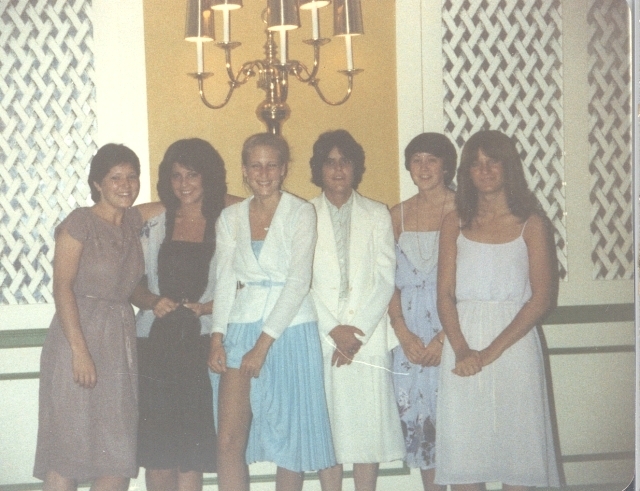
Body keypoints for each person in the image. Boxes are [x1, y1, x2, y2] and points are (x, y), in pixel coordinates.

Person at [208, 133, 335, 491]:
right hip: (241, 327)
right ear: (245, 171)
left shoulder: (300, 212)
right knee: (228, 441)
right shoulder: (230, 217)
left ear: (283, 170)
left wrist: (262, 346)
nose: (263, 173)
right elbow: (224, 281)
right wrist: (218, 339)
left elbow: (298, 282)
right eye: (255, 165)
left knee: (290, 444)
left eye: (271, 165)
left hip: (290, 329)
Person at [435, 130, 560, 489]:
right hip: (463, 343)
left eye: (493, 162)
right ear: (466, 174)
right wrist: (461, 348)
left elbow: (542, 298)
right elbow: (444, 294)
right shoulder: (454, 223)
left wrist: (490, 352)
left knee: (517, 456)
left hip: (514, 346)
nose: (485, 170)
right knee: (465, 456)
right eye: (475, 164)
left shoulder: (531, 224)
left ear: (508, 168)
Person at [130, 138, 240, 491]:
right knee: (158, 453)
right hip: (156, 346)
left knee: (192, 452)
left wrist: (209, 307)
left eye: (193, 174)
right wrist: (151, 300)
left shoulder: (228, 220)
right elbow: (130, 284)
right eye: (176, 176)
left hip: (201, 344)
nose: (184, 184)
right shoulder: (154, 221)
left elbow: (245, 284)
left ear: (207, 176)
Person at [33, 144, 144, 490]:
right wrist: (80, 352)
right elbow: (62, 288)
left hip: (119, 343)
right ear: (98, 183)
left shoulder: (135, 220)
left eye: (132, 176)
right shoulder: (80, 222)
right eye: (115, 178)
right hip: (76, 339)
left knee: (116, 446)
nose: (126, 185)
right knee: (69, 446)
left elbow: (186, 200)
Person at [309, 129, 405, 491]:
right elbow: (301, 281)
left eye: (344, 162)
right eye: (329, 162)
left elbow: (385, 279)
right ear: (319, 169)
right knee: (327, 431)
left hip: (365, 339)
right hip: (322, 336)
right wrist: (334, 329)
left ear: (356, 168)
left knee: (367, 432)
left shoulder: (377, 213)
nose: (337, 169)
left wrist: (355, 333)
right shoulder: (304, 213)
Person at [388, 133, 457, 491]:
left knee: (457, 431)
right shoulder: (395, 215)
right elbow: (385, 282)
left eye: (433, 159)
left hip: (454, 332)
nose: (425, 167)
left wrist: (446, 338)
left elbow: (472, 281)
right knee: (423, 433)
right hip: (410, 338)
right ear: (409, 168)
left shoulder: (466, 211)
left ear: (447, 165)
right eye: (417, 160)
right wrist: (402, 331)